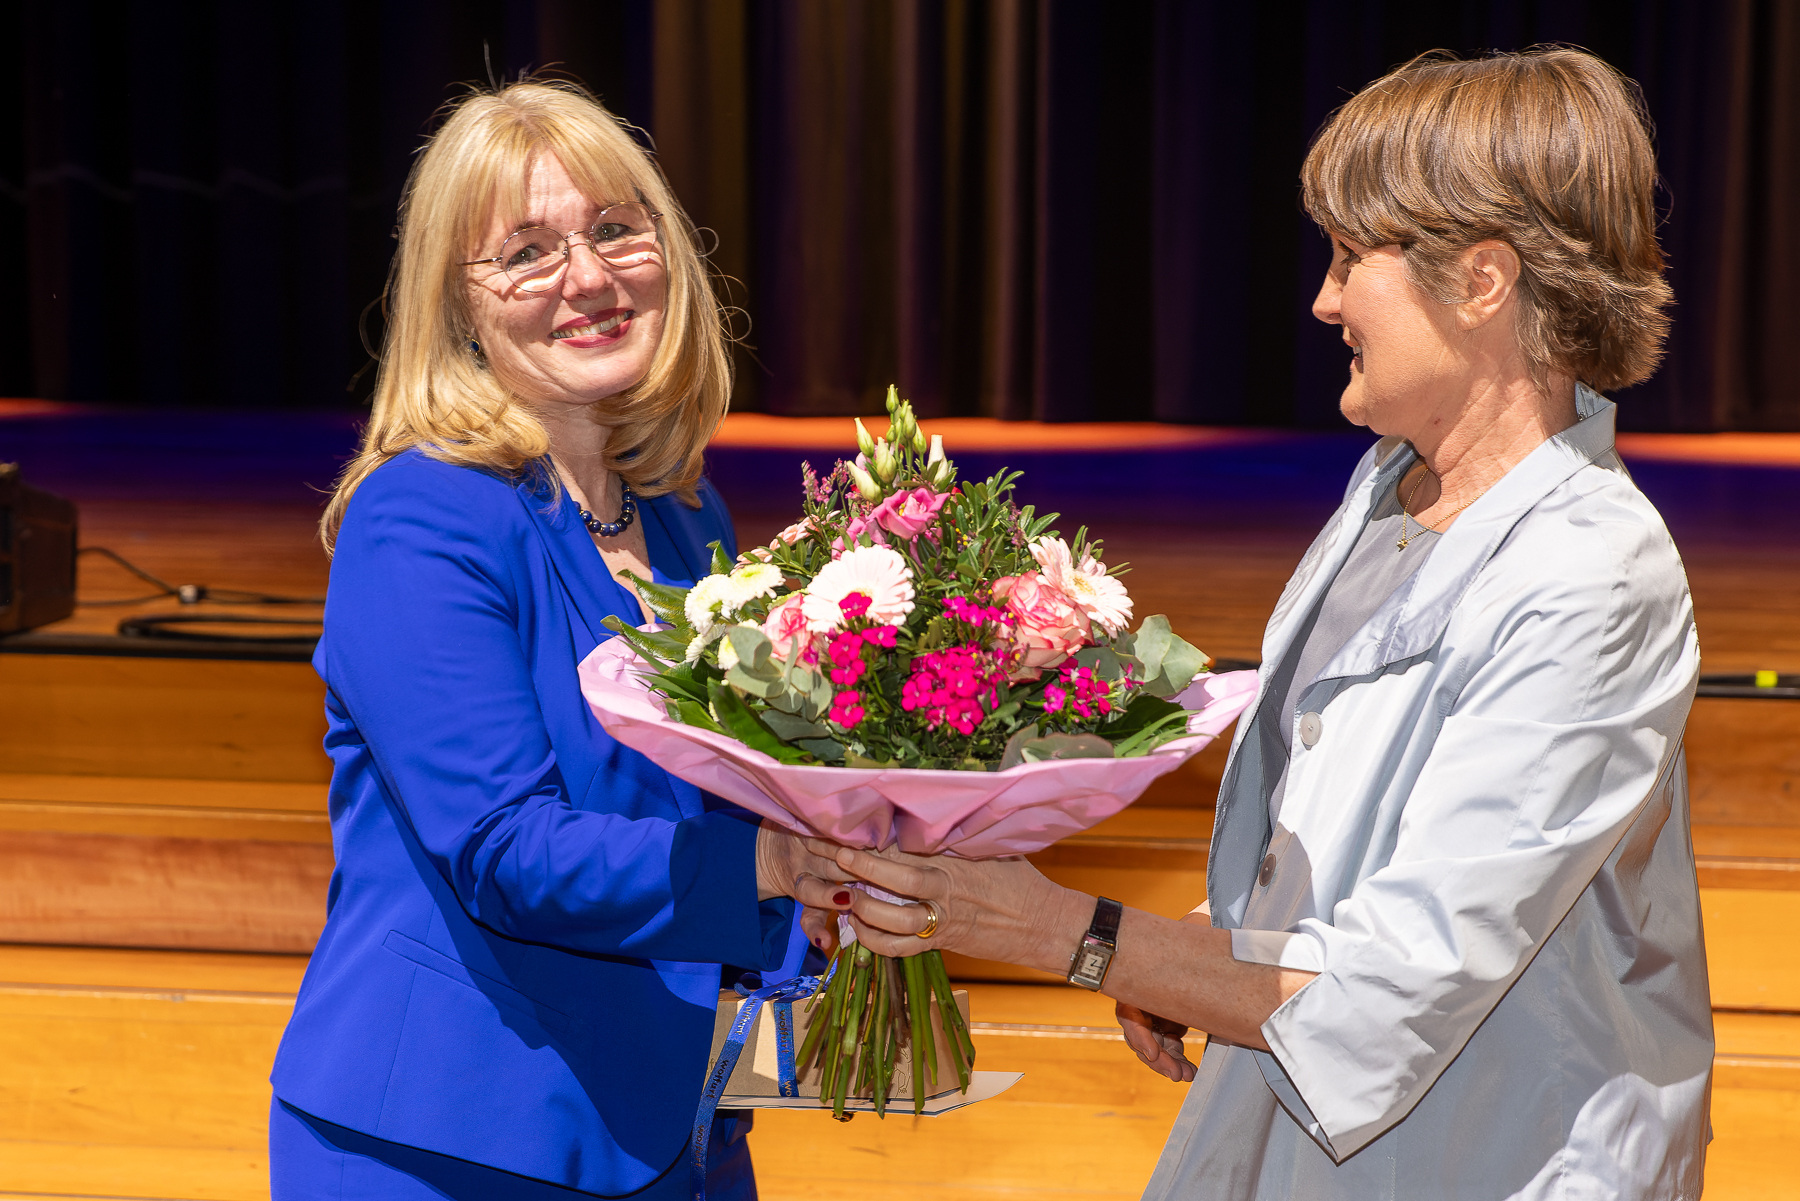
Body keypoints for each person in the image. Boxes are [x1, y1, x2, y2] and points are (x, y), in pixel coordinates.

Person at [801, 48, 1710, 1200]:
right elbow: (1363, 839)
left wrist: (1066, 933)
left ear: (1483, 279)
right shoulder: (1392, 488)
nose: (1324, 300)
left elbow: (1398, 983)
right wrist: (1204, 946)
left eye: (1350, 257)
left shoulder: (1591, 575)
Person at [269, 81, 837, 1200]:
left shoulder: (684, 515)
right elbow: (503, 847)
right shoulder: (422, 516)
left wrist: (840, 876)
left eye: (617, 230)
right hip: (452, 1137)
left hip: (673, 1121)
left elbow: (714, 808)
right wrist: (778, 864)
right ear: (457, 304)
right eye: (526, 252)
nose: (587, 277)